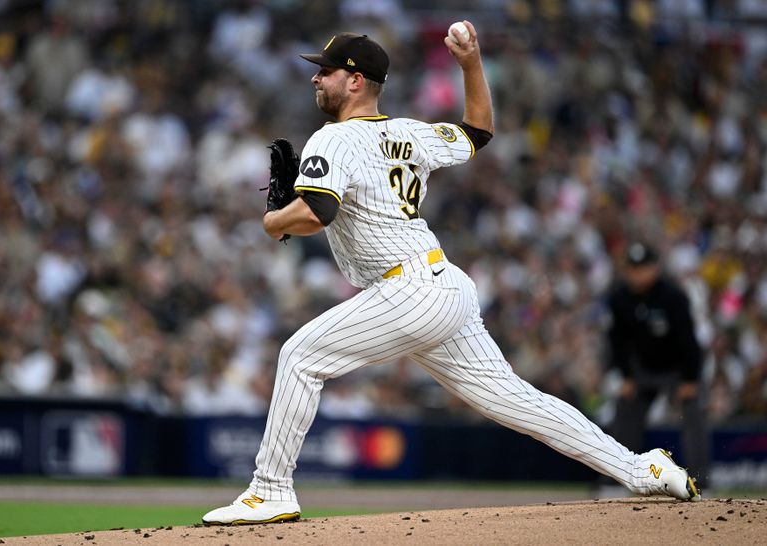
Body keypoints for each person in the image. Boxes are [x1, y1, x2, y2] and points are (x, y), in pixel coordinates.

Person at [202, 23, 701, 526]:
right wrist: (471, 64)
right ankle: (642, 470)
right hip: (442, 287)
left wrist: (272, 220)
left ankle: (270, 491)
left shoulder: (334, 139)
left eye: (325, 71)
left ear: (355, 80)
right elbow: (479, 130)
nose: (316, 79)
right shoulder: (410, 132)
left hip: (410, 289)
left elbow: (316, 214)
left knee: (300, 356)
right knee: (515, 400)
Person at [606, 241, 709, 487]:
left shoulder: (673, 296)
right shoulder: (620, 298)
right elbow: (617, 342)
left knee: (694, 412)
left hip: (677, 368)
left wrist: (690, 379)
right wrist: (627, 376)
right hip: (644, 370)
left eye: (643, 268)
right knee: (625, 409)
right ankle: (617, 480)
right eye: (632, 268)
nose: (637, 274)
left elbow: (690, 341)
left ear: (655, 268)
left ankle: (701, 480)